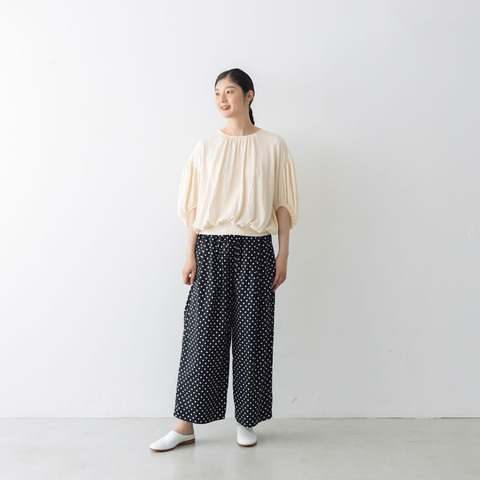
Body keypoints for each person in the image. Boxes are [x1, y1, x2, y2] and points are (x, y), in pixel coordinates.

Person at [150, 68, 298, 452]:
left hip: (255, 248)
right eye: (217, 93)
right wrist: (189, 253)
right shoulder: (206, 146)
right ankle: (185, 426)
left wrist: (283, 253)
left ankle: (247, 420)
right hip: (211, 248)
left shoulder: (273, 145)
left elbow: (283, 204)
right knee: (201, 336)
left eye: (229, 91)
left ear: (249, 95)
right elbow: (195, 206)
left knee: (252, 336)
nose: (221, 99)